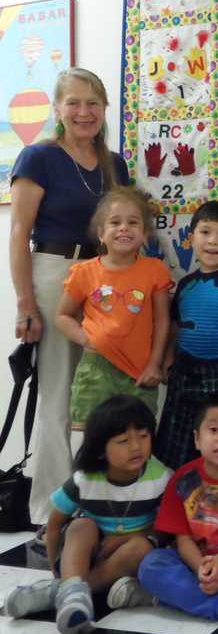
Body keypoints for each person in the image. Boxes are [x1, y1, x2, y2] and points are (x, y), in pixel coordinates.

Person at [9, 67, 130, 528]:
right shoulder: (38, 157)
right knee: (58, 395)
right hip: (55, 274)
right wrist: (24, 303)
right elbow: (19, 234)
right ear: (58, 110)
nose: (84, 112)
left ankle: (99, 502)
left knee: (103, 395)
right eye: (74, 103)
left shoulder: (114, 164)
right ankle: (50, 509)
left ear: (104, 109)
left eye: (93, 103)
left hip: (107, 280)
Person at [3, 396, 171, 634]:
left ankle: (64, 592)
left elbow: (165, 529)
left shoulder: (161, 478)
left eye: (144, 436)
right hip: (87, 555)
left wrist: (127, 538)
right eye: (123, 441)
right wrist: (56, 571)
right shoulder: (85, 481)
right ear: (100, 450)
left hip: (128, 561)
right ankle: (69, 588)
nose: (136, 447)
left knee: (141, 547)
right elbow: (53, 526)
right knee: (81, 526)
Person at [131, 391, 218, 633]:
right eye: (214, 430)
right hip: (187, 562)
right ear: (197, 439)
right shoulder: (183, 479)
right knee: (150, 564)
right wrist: (199, 567)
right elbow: (182, 539)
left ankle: (159, 597)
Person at [55, 186, 172, 429]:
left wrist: (155, 363)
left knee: (137, 440)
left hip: (139, 373)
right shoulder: (84, 272)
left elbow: (162, 321)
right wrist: (86, 339)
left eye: (133, 222)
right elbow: (62, 315)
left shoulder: (155, 270)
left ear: (144, 233)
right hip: (95, 371)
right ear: (101, 233)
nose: (123, 228)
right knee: (95, 444)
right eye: (115, 222)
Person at [154, 200, 218, 469]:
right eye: (205, 232)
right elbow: (175, 328)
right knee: (176, 443)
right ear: (191, 238)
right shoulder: (186, 284)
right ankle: (174, 499)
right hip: (184, 373)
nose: (213, 241)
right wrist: (165, 360)